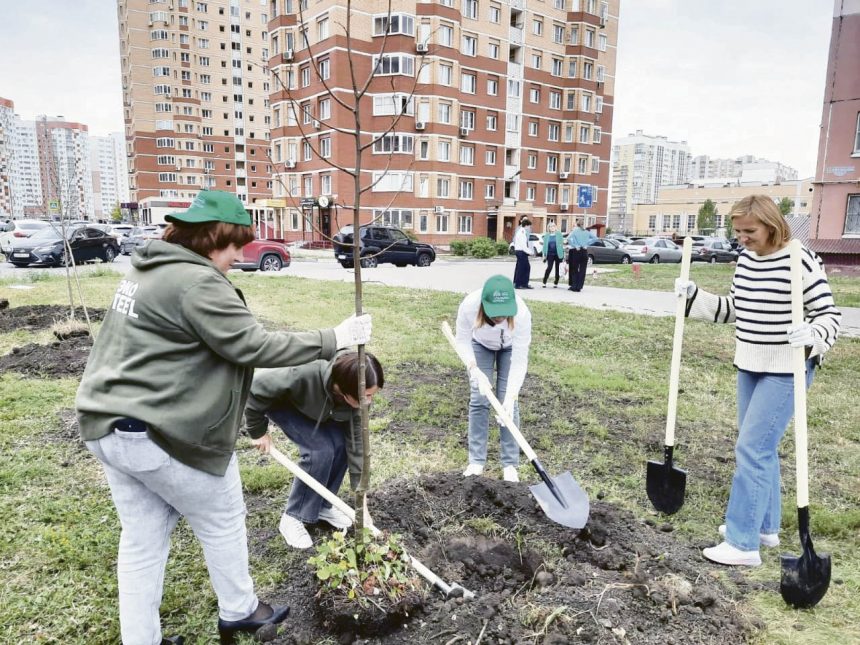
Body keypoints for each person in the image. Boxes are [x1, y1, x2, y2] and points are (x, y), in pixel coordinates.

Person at [75, 190, 373, 645]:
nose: (239, 255)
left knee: (142, 539)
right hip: (157, 431)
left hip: (107, 425)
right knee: (223, 516)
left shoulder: (148, 269)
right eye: (236, 245)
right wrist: (333, 336)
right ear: (215, 237)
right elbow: (252, 345)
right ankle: (239, 611)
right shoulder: (197, 282)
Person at [675, 195, 841, 567]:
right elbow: (735, 309)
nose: (742, 239)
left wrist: (813, 333)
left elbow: (830, 313)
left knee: (751, 450)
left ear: (771, 225)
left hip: (787, 368)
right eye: (737, 232)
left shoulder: (800, 259)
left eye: (749, 231)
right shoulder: (747, 261)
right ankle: (765, 528)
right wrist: (694, 298)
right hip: (749, 362)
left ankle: (742, 543)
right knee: (760, 449)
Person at [245, 351, 385, 549]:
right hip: (284, 402)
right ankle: (293, 516)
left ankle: (321, 506)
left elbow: (357, 445)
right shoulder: (301, 373)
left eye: (372, 395)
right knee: (320, 451)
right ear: (345, 389)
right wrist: (257, 431)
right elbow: (254, 389)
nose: (369, 402)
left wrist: (361, 502)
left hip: (319, 407)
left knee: (342, 447)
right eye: (367, 396)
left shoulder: (357, 396)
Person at [456, 275, 532, 482]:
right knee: (479, 399)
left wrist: (511, 395)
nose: (500, 319)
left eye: (504, 314)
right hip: (480, 346)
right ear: (484, 305)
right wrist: (474, 369)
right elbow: (461, 341)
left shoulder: (522, 313)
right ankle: (476, 461)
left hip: (509, 349)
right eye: (495, 314)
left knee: (508, 404)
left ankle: (509, 464)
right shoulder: (470, 305)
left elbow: (519, 360)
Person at [566, 219, 594, 292]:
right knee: (583, 270)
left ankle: (574, 286)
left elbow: (568, 239)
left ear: (577, 224)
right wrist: (587, 244)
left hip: (577, 251)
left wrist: (575, 246)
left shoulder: (574, 231)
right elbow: (595, 238)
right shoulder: (587, 232)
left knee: (575, 269)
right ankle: (579, 287)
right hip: (584, 251)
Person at [512, 217, 534, 289]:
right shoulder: (521, 232)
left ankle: (523, 283)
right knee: (523, 268)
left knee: (525, 267)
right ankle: (519, 284)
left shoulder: (522, 231)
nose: (529, 228)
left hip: (520, 251)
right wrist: (530, 252)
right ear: (526, 225)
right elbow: (523, 245)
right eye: (529, 226)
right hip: (521, 252)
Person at [541, 221, 565, 288]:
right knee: (549, 267)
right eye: (551, 226)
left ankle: (556, 282)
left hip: (558, 254)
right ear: (548, 228)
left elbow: (562, 244)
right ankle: (544, 281)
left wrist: (563, 255)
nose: (552, 227)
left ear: (555, 227)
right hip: (550, 254)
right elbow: (544, 246)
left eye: (553, 226)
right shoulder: (546, 235)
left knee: (557, 269)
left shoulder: (559, 234)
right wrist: (544, 255)